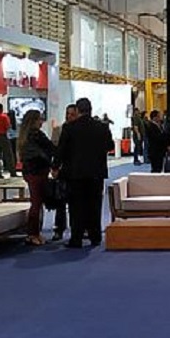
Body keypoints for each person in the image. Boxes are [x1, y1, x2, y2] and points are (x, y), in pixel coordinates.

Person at [57, 97, 114, 248]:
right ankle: (95, 236)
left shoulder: (69, 128)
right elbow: (110, 146)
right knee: (94, 205)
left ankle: (76, 238)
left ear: (78, 110)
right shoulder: (102, 127)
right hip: (96, 172)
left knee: (76, 206)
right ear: (91, 109)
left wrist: (55, 167)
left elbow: (61, 150)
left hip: (75, 173)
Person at [18, 109, 57, 247]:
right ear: (33, 121)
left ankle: (36, 233)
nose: (42, 122)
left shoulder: (33, 135)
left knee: (38, 203)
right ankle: (32, 234)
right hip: (34, 172)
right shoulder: (32, 136)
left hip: (37, 172)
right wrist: (52, 164)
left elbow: (50, 149)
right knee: (36, 203)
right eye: (39, 119)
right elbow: (42, 153)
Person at [50, 103, 77, 239]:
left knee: (75, 203)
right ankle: (59, 229)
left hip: (77, 171)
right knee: (60, 201)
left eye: (72, 114)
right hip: (63, 170)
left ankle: (77, 229)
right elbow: (56, 150)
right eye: (67, 114)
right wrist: (55, 167)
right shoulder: (59, 130)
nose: (69, 117)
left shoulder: (80, 131)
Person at [0, 103, 17, 178]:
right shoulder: (4, 117)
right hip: (3, 136)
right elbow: (8, 126)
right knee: (9, 154)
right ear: (1, 109)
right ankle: (12, 172)